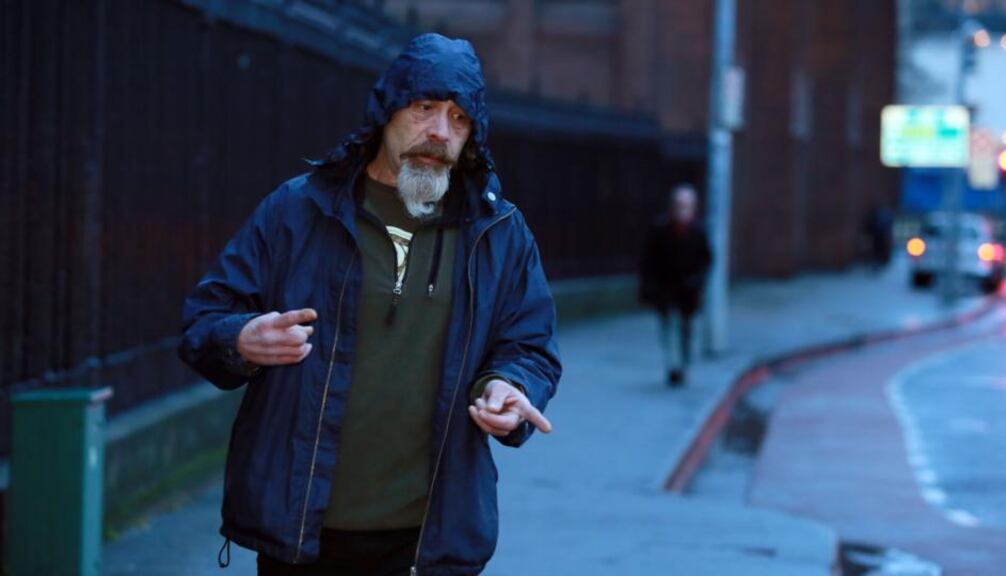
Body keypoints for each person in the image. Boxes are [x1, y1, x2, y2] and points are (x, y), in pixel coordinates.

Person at [178, 33, 561, 576]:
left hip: (430, 539)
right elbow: (203, 321)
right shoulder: (298, 210)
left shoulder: (498, 232)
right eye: (424, 107)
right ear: (386, 109)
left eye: (458, 118)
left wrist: (508, 385)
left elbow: (530, 344)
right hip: (304, 533)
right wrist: (239, 340)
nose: (439, 132)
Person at [639, 184, 712, 387]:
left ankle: (683, 364)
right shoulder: (660, 229)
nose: (683, 211)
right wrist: (649, 288)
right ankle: (674, 366)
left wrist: (697, 282)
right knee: (669, 327)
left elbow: (706, 260)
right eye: (679, 205)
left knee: (686, 329)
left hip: (689, 292)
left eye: (687, 206)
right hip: (666, 290)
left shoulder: (698, 231)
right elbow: (648, 260)